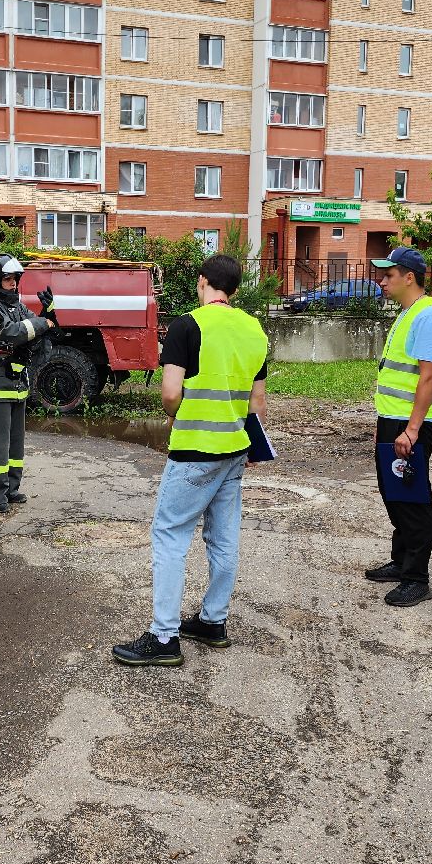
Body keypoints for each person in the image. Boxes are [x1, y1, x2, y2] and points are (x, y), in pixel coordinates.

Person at [112, 253, 269, 668]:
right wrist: (252, 444)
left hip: (195, 451)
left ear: (203, 282)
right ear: (234, 290)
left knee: (169, 535)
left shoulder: (187, 325)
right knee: (224, 537)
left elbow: (169, 394)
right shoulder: (254, 330)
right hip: (235, 450)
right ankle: (212, 621)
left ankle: (164, 637)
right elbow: (257, 400)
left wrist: (177, 415)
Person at [363, 246, 432, 609]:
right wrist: (386, 423)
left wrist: (412, 430)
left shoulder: (429, 317)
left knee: (412, 497)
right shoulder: (409, 313)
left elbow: (428, 378)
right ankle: (401, 561)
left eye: (389, 275)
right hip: (394, 421)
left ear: (409, 277)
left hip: (411, 425)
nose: (382, 281)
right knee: (395, 492)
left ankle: (417, 578)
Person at [0, 254, 57, 512]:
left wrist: (49, 312)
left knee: (14, 442)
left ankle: (10, 488)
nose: (13, 283)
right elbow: (11, 332)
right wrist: (42, 322)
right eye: (8, 278)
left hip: (16, 383)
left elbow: (35, 329)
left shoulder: (16, 306)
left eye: (16, 279)